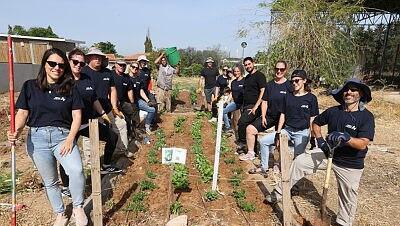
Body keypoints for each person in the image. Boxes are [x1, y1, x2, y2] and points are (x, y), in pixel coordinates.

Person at [266, 78, 374, 226]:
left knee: (349, 194)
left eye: (353, 90)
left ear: (360, 94)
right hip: (328, 153)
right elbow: (316, 123)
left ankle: (343, 222)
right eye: (346, 90)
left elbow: (363, 144)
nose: (349, 92)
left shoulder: (366, 117)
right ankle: (278, 193)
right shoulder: (333, 111)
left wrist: (347, 138)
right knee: (300, 162)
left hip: (350, 163)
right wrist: (321, 141)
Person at [7, 48, 87, 226]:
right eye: (52, 63)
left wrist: (69, 140)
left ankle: (78, 207)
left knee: (76, 171)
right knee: (50, 181)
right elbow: (22, 113)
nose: (56, 68)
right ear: (44, 64)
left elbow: (77, 117)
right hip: (37, 139)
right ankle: (60, 213)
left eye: (60, 65)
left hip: (62, 137)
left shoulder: (70, 87)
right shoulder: (30, 86)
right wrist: (17, 130)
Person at [59, 49, 122, 199]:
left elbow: (94, 99)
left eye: (81, 63)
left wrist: (103, 115)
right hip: (68, 126)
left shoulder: (86, 79)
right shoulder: (62, 79)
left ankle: (106, 165)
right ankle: (67, 186)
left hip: (86, 123)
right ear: (69, 61)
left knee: (112, 137)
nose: (78, 65)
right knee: (65, 154)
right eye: (75, 62)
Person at [253, 70, 318, 177]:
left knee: (298, 159)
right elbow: (282, 115)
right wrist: (278, 132)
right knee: (264, 141)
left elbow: (313, 118)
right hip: (287, 130)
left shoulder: (311, 98)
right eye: (292, 81)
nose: (294, 83)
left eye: (297, 81)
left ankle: (295, 183)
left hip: (302, 133)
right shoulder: (288, 96)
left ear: (304, 81)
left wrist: (312, 137)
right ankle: (264, 167)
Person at [81, 47, 129, 156]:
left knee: (121, 125)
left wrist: (115, 108)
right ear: (89, 58)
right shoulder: (83, 72)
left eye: (100, 57)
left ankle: (120, 151)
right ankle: (90, 162)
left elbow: (112, 89)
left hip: (106, 109)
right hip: (90, 112)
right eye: (95, 57)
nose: (98, 59)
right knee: (90, 137)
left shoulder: (107, 73)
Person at [244, 61, 292, 170]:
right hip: (270, 116)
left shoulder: (289, 86)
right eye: (277, 69)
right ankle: (251, 153)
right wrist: (264, 116)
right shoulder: (270, 85)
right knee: (250, 129)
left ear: (286, 70)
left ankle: (277, 163)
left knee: (280, 139)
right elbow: (264, 101)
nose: (279, 71)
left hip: (284, 118)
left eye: (281, 69)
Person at [237, 57, 267, 159]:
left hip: (255, 106)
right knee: (250, 127)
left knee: (242, 122)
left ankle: (242, 143)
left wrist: (256, 106)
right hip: (247, 106)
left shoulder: (259, 76)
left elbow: (263, 91)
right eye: (245, 65)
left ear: (253, 63)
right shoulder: (248, 77)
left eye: (249, 64)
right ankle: (252, 151)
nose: (247, 66)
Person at [112, 60, 136, 149]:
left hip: (122, 102)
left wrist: (132, 103)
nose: (122, 66)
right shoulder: (111, 75)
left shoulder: (126, 78)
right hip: (111, 103)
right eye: (120, 65)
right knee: (120, 121)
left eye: (123, 65)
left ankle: (132, 132)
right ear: (115, 65)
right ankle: (117, 140)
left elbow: (130, 91)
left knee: (132, 111)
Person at [128, 61, 156, 135]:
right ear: (130, 68)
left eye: (136, 68)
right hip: (127, 102)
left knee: (152, 110)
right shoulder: (126, 78)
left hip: (137, 100)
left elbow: (141, 91)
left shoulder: (138, 79)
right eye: (133, 67)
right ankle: (131, 133)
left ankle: (147, 127)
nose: (135, 69)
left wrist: (148, 100)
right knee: (130, 117)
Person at [222, 66, 244, 132]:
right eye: (235, 71)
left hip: (244, 103)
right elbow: (231, 93)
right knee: (223, 111)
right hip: (236, 103)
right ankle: (228, 127)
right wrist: (227, 102)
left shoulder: (245, 81)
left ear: (241, 72)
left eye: (238, 71)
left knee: (242, 120)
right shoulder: (233, 82)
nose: (236, 73)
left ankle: (243, 134)